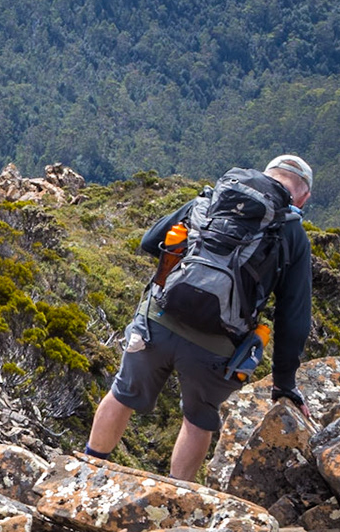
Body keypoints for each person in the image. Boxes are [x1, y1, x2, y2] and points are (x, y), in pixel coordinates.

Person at [83, 155, 314, 482]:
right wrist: (284, 384)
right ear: (303, 197)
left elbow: (150, 242)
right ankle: (177, 504)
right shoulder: (292, 232)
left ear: (266, 176)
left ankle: (86, 474)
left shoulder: (213, 198)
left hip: (157, 321)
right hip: (216, 346)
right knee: (198, 420)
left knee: (122, 394)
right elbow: (294, 317)